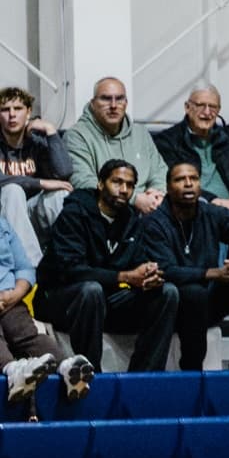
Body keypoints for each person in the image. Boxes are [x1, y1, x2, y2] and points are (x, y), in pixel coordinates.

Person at [34, 160, 179, 370]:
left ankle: (144, 377)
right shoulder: (75, 213)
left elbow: (138, 262)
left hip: (108, 301)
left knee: (168, 293)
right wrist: (125, 277)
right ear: (101, 184)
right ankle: (90, 375)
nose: (124, 190)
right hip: (62, 300)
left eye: (129, 185)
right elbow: (70, 270)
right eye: (117, 182)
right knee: (91, 290)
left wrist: (148, 277)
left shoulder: (132, 221)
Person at [142, 160, 229, 367]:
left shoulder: (210, 213)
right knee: (193, 292)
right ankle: (192, 369)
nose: (188, 184)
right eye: (180, 179)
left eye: (193, 178)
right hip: (172, 306)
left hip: (206, 303)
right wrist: (213, 273)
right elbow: (166, 270)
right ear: (167, 187)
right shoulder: (154, 222)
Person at [154, 84, 229, 281]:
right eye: (200, 105)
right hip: (198, 203)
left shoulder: (228, 139)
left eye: (213, 107)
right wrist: (214, 200)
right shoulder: (169, 140)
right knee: (212, 214)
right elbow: (176, 183)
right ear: (187, 107)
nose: (207, 112)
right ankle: (214, 286)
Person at [0, 209, 68, 412]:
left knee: (27, 333)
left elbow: (25, 268)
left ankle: (67, 367)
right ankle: (13, 370)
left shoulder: (3, 225)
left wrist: (15, 294)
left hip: (9, 298)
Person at [64, 79, 165, 213]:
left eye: (119, 99)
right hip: (105, 210)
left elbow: (160, 171)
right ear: (93, 104)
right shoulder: (76, 136)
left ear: (126, 103)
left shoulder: (140, 132)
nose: (113, 105)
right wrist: (134, 199)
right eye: (106, 99)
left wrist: (157, 194)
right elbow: (83, 181)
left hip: (150, 206)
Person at [0, 86, 72, 266]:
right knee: (12, 190)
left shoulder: (37, 141)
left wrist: (51, 131)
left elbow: (64, 172)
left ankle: (69, 262)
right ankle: (32, 269)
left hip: (30, 215)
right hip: (3, 217)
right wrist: (40, 183)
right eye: (5, 110)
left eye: (18, 109)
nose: (11, 115)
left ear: (28, 112)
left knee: (60, 195)